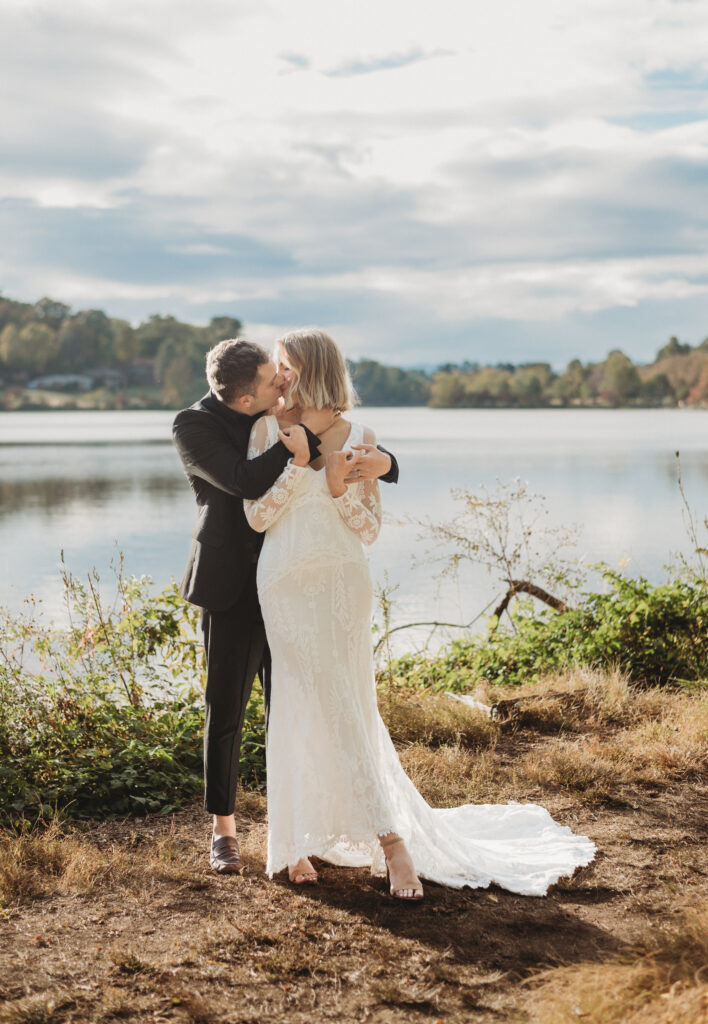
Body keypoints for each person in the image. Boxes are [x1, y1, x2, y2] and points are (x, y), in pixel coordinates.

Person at [244, 328, 596, 899]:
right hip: (283, 584)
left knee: (348, 701)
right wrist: (296, 463)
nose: (277, 375)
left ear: (311, 370)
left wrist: (337, 489)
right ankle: (293, 839)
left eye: (285, 365)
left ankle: (393, 844)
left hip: (340, 584)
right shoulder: (266, 429)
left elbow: (369, 530)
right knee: (296, 700)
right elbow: (257, 518)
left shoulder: (362, 437)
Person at [172, 338, 399, 873]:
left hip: (298, 581)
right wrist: (293, 445)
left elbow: (338, 460)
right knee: (225, 708)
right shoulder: (194, 425)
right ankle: (223, 830)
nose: (283, 383)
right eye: (274, 380)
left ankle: (296, 829)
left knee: (293, 708)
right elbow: (245, 480)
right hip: (233, 582)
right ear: (247, 396)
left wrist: (387, 462)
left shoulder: (284, 415)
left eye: (284, 374)